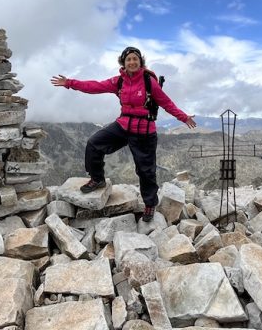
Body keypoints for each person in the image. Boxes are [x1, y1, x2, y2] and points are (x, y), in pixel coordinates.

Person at [51, 46, 197, 222]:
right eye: (129, 59)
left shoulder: (149, 82)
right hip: (123, 125)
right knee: (94, 143)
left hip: (144, 130)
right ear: (123, 63)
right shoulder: (119, 81)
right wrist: (70, 83)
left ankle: (150, 204)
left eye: (135, 59)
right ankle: (97, 179)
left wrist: (184, 117)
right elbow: (95, 86)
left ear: (140, 62)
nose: (132, 62)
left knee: (146, 171)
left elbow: (167, 103)